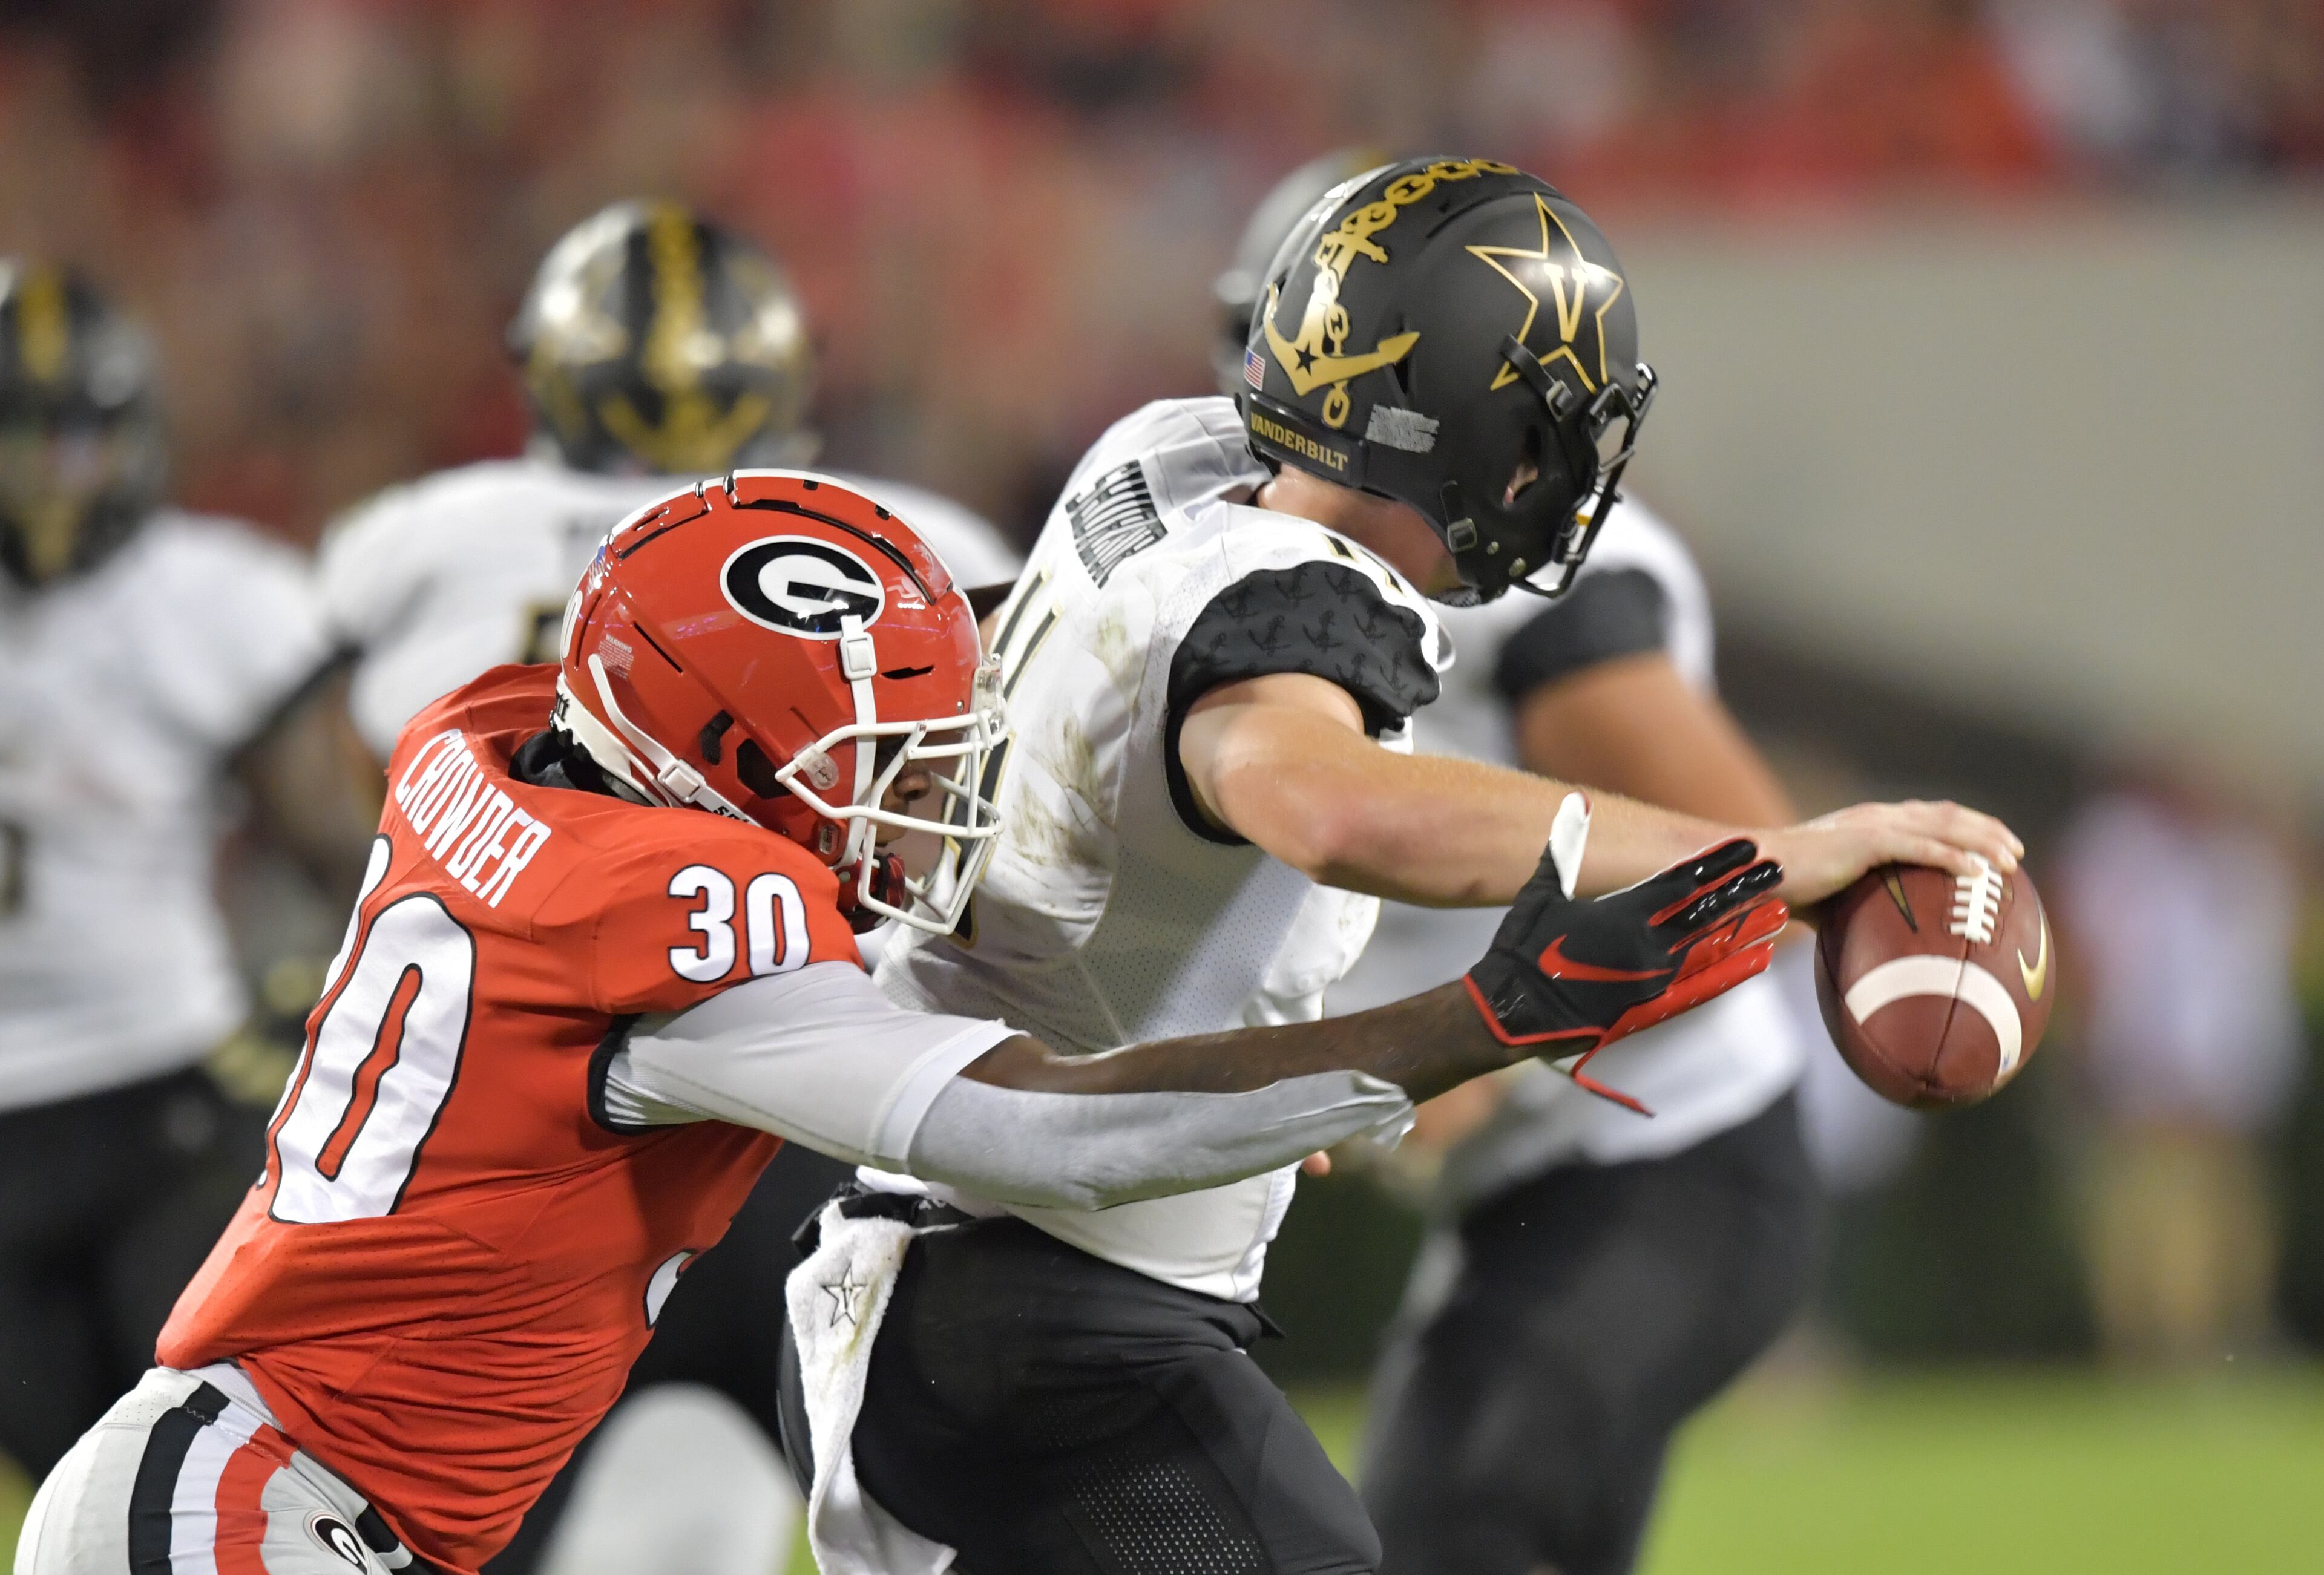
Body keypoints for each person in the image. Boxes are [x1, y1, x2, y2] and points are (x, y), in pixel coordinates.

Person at [16, 470, 1791, 1575]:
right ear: (714, 763)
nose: (900, 816)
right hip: (263, 1510)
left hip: (244, 1474)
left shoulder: (484, 736)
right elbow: (1039, 1123)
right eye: (863, 771)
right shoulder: (677, 916)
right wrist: (1464, 1019)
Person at [852, 156, 2021, 1574]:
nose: (1559, 479)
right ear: (1458, 425)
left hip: (964, 1235)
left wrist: (1373, 1055)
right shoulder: (1303, 601)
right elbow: (1320, 801)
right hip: (1045, 1270)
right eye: (1542, 435)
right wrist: (1780, 858)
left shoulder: (1154, 458)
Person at [312, 199, 1023, 1575]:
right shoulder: (903, 532)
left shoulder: (429, 535)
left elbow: (354, 769)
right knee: (939, 1513)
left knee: (451, 1521)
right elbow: (964, 814)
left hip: (520, 1103)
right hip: (803, 1072)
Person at [1209, 154, 1823, 1575]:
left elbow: (1760, 883)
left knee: (1455, 1522)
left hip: (1661, 1149)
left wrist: (1480, 1058)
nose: (1552, 475)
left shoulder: (1544, 607)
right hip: (1525, 1169)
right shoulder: (1231, 541)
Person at [0, 263, 344, 1488]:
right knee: (53, 1502)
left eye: (72, 442)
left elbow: (349, 851)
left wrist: (330, 1001)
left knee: (210, 1475)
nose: (47, 479)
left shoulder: (213, 599)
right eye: (19, 443)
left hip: (168, 1096)